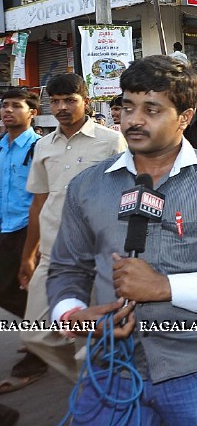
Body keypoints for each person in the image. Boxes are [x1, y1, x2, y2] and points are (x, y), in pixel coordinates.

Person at [47, 56, 197, 426]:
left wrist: (164, 287)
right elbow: (67, 267)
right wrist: (72, 312)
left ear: (185, 117)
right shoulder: (87, 186)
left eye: (151, 109)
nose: (134, 120)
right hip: (112, 369)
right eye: (127, 107)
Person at [19, 74, 126, 383]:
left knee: (98, 336)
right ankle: (91, 383)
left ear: (86, 102)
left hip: (99, 256)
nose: (62, 107)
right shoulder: (43, 146)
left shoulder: (111, 141)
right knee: (36, 335)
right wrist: (29, 255)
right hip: (54, 256)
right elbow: (38, 204)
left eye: (70, 100)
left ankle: (102, 401)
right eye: (55, 101)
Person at [0, 89, 45, 394]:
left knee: (20, 287)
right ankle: (40, 336)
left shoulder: (39, 148)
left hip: (27, 230)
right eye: (5, 105)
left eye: (16, 106)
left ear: (31, 113)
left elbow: (43, 199)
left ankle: (39, 348)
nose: (8, 110)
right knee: (10, 292)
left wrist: (36, 246)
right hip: (3, 228)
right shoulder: (1, 147)